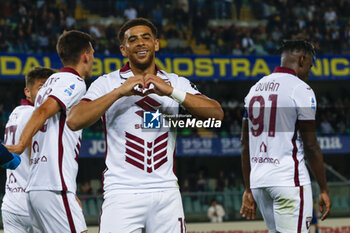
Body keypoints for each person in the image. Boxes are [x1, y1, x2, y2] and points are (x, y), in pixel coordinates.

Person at [67, 18, 223, 232]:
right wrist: (118, 93)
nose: (140, 43)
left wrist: (170, 92)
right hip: (121, 193)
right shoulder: (107, 83)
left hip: (166, 192)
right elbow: (74, 120)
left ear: (156, 44)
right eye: (133, 40)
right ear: (124, 49)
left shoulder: (176, 82)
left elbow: (216, 115)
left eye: (146, 37)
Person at [6, 30, 94, 233]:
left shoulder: (48, 85)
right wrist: (20, 144)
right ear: (85, 55)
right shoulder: (73, 81)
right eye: (93, 54)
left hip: (36, 187)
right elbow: (44, 111)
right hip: (54, 185)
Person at [240, 40, 331, 233]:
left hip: (259, 184)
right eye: (310, 66)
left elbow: (244, 144)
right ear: (302, 60)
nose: (309, 72)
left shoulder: (255, 88)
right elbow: (311, 145)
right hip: (289, 181)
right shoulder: (301, 89)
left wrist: (248, 188)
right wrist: (323, 189)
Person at [1, 67, 55, 233]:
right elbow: (39, 160)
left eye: (49, 88)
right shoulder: (35, 115)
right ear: (27, 91)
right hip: (33, 204)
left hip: (11, 204)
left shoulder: (15, 113)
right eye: (41, 87)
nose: (45, 93)